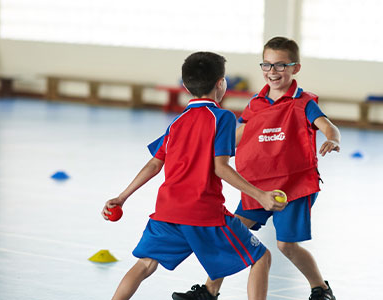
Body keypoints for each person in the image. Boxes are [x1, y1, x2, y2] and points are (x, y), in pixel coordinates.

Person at [103, 51, 287, 300]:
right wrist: (261, 195)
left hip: (167, 212)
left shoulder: (177, 122)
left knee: (145, 265)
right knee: (261, 258)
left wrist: (122, 197)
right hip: (204, 213)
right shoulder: (222, 118)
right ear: (221, 83)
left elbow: (154, 165)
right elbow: (220, 167)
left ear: (186, 86)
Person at [174, 37, 340, 300]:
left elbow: (326, 125)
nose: (272, 71)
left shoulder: (304, 102)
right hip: (258, 185)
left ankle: (320, 289)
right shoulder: (255, 103)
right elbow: (240, 133)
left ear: (295, 68)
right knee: (231, 233)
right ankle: (208, 291)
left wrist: (332, 139)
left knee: (286, 245)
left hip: (295, 187)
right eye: (267, 65)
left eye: (281, 65)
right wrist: (206, 153)